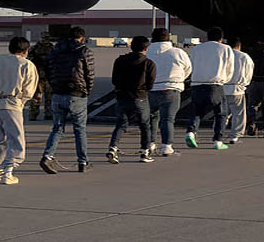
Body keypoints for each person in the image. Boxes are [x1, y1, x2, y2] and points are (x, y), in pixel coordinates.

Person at [40, 26, 96, 174]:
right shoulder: (84, 51)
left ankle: (48, 156)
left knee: (57, 128)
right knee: (80, 129)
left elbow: (49, 70)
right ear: (82, 38)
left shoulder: (55, 51)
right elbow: (89, 74)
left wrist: (54, 88)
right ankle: (83, 161)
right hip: (76, 94)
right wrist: (86, 91)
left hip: (58, 94)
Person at [0, 36, 38, 185]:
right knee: (16, 139)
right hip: (11, 104)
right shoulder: (26, 64)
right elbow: (29, 90)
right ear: (26, 50)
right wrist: (20, 102)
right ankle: (8, 170)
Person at [107, 36, 157, 164]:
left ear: (131, 46)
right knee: (145, 125)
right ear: (146, 48)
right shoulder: (148, 63)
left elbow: (114, 79)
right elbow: (150, 83)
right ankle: (144, 152)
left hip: (122, 96)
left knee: (121, 124)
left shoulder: (119, 60)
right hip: (139, 97)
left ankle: (113, 148)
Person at [185, 26, 235, 150]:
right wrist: (225, 80)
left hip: (197, 83)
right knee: (221, 113)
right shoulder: (226, 49)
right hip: (215, 84)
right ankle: (218, 141)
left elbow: (191, 65)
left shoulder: (197, 48)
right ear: (221, 37)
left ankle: (191, 132)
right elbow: (230, 68)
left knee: (196, 111)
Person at [146, 27, 192, 157]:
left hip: (151, 89)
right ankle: (166, 146)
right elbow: (188, 68)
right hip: (170, 89)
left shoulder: (148, 52)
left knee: (151, 118)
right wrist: (179, 80)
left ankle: (150, 143)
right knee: (167, 119)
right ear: (168, 38)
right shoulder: (178, 52)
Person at [222, 36, 254, 144]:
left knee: (223, 113)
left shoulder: (223, 55)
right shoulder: (244, 57)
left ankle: (218, 132)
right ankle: (234, 135)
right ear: (239, 45)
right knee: (238, 113)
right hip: (237, 88)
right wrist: (245, 84)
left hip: (223, 87)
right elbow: (249, 73)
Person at [25, 34, 55, 120]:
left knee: (50, 97)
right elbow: (29, 61)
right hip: (38, 77)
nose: (45, 40)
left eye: (47, 38)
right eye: (44, 38)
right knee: (36, 97)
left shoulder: (53, 49)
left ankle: (49, 114)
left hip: (49, 76)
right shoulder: (34, 49)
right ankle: (33, 114)